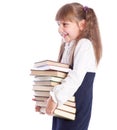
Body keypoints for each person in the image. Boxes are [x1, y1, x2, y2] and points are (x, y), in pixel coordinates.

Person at [35, 2, 102, 130]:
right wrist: (45, 103)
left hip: (75, 110)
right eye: (58, 24)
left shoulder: (84, 45)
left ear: (82, 24)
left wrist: (54, 99)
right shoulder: (68, 46)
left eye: (65, 24)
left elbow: (74, 79)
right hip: (64, 109)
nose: (60, 29)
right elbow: (60, 80)